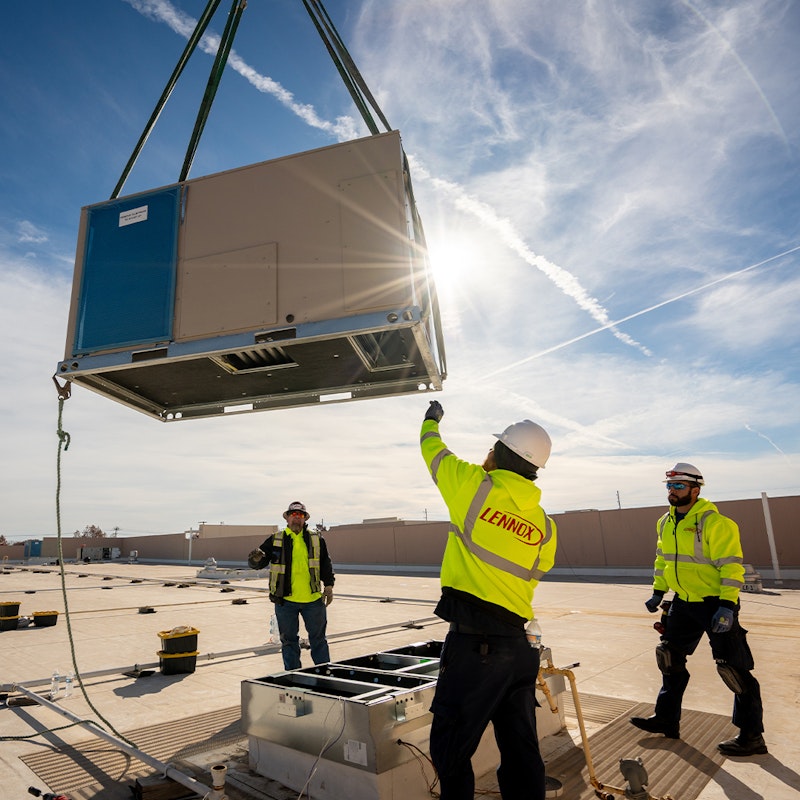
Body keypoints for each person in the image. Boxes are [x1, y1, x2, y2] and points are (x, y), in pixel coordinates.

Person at [420, 400, 557, 800]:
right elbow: (534, 572)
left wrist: (431, 420)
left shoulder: (474, 486)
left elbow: (433, 450)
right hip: (520, 647)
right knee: (520, 749)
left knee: (450, 747)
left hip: (476, 647)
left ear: (499, 454)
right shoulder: (546, 525)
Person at [630, 463, 767, 756]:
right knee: (669, 657)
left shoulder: (717, 523)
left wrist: (728, 605)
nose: (672, 491)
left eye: (679, 486)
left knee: (733, 668)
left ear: (696, 489)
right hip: (683, 601)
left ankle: (752, 735)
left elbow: (731, 567)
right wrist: (658, 591)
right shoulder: (664, 523)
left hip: (715, 604)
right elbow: (662, 560)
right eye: (669, 486)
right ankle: (667, 719)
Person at [248, 501, 335, 670]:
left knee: (319, 640)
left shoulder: (316, 539)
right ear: (287, 518)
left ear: (305, 519)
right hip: (285, 601)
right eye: (293, 515)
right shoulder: (276, 539)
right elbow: (259, 562)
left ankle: (324, 674)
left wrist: (329, 585)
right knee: (289, 642)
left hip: (313, 600)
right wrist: (255, 559)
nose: (297, 519)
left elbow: (325, 563)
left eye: (300, 515)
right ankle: (293, 675)